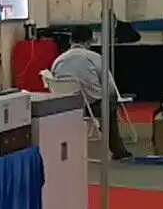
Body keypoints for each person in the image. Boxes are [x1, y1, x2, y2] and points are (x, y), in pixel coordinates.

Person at [48, 27, 131, 160]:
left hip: (65, 108)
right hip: (92, 107)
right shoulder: (95, 58)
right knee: (110, 101)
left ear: (70, 40)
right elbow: (110, 87)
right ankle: (117, 148)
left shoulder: (58, 61)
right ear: (90, 41)